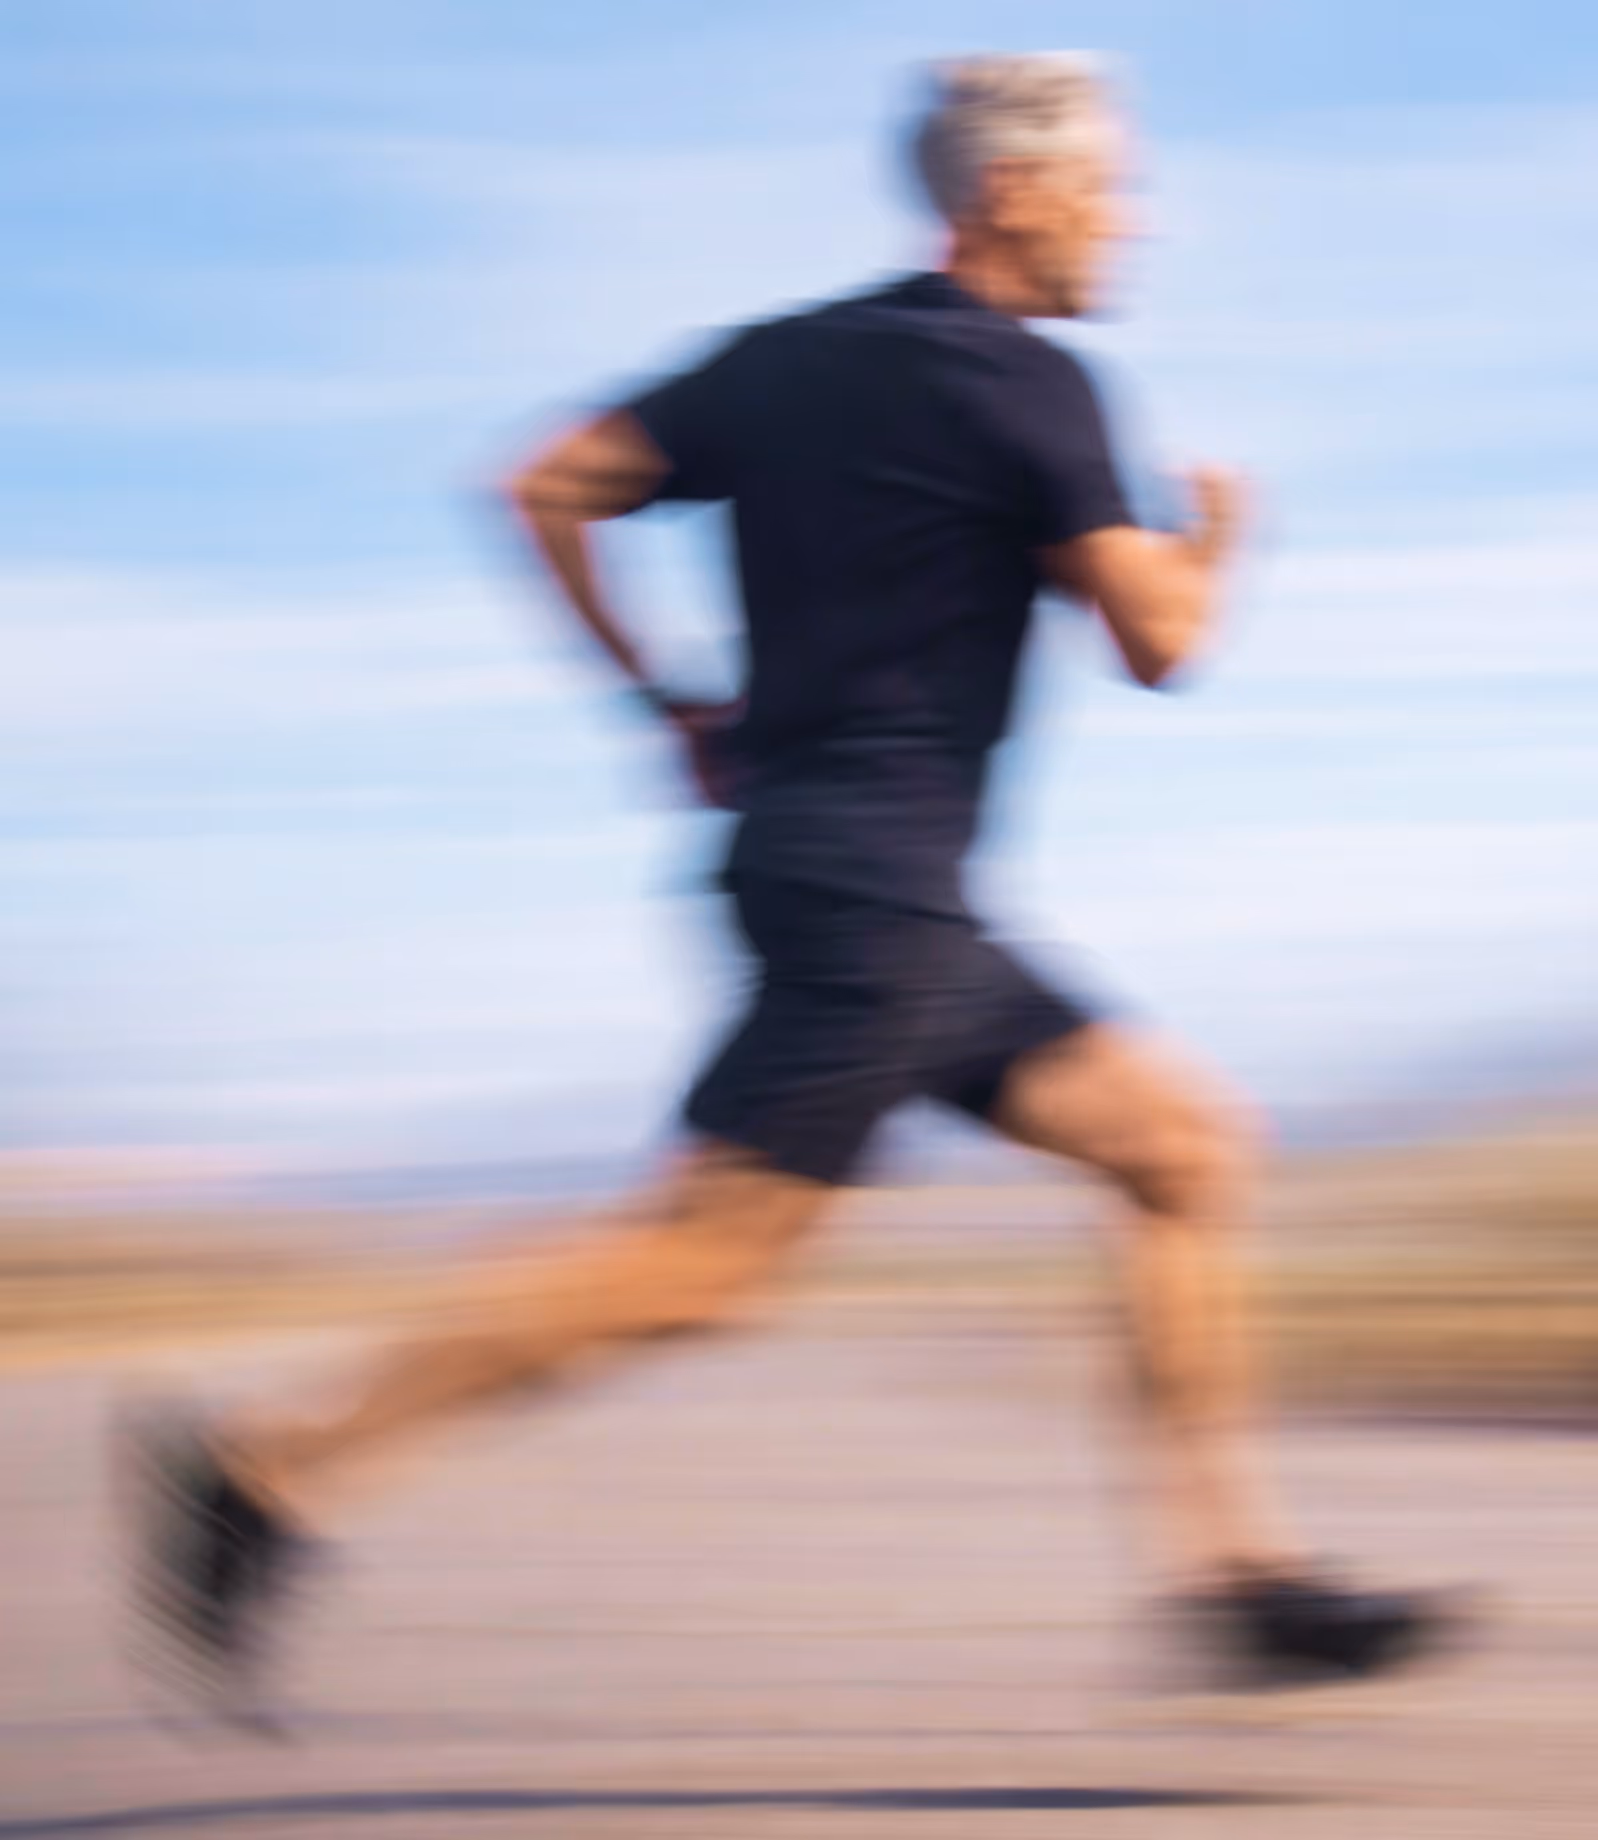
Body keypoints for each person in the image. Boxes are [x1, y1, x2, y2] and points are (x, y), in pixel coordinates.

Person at [128, 52, 1455, 1717]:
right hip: (877, 899)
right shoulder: (1035, 385)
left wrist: (663, 699)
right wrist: (1221, 537)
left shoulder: (780, 363)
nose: (1133, 220)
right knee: (698, 1272)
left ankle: (1231, 1576)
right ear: (1014, 194)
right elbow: (1161, 646)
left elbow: (539, 484)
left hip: (848, 879)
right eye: (1111, 188)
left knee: (1181, 1146)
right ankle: (262, 1472)